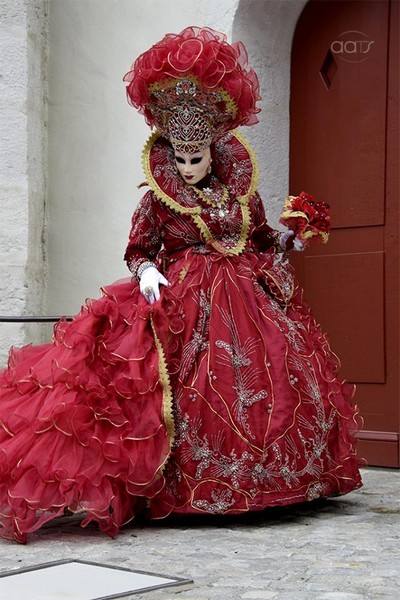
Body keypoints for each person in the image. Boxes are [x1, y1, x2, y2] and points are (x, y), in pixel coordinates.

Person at [0, 27, 362, 543]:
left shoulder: (243, 198)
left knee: (278, 378)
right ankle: (184, 486)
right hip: (184, 299)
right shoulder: (156, 200)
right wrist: (147, 271)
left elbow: (257, 242)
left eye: (198, 158)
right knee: (171, 385)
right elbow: (139, 248)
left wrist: (293, 240)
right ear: (169, 153)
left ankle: (276, 483)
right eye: (181, 159)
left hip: (248, 300)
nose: (189, 169)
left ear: (215, 151)